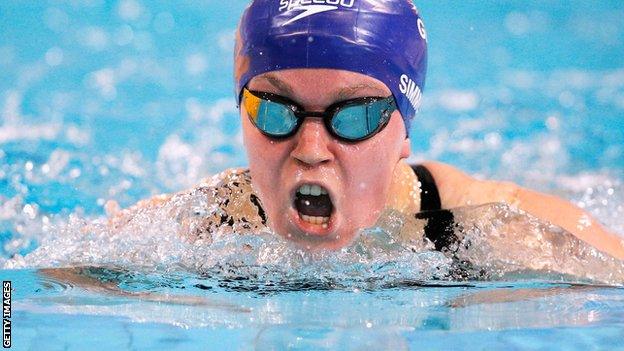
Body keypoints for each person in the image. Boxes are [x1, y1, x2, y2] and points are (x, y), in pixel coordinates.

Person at [106, 0, 624, 268]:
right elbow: (20, 302)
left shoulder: (495, 231)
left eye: (353, 116)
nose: (310, 152)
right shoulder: (197, 227)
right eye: (275, 112)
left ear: (404, 131)